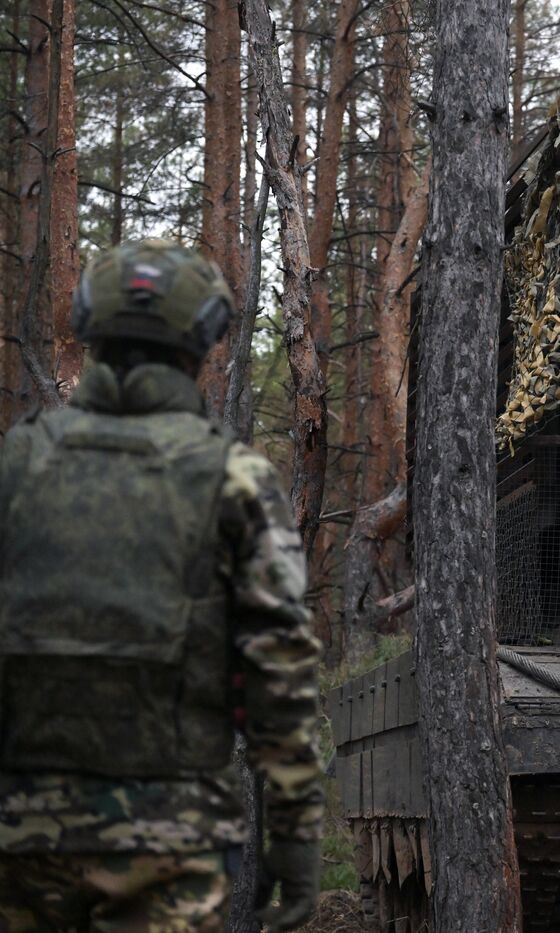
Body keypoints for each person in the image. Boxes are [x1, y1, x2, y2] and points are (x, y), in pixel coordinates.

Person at [0, 239, 324, 930]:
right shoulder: (235, 479)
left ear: (90, 331)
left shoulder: (15, 466)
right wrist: (294, 847)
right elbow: (281, 680)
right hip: (169, 843)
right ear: (201, 342)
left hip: (20, 833)